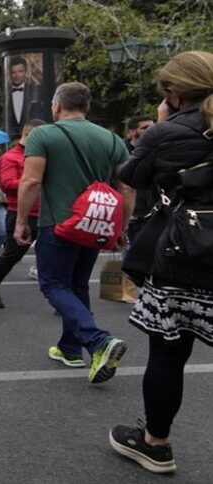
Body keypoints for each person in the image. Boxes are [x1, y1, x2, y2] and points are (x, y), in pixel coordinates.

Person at [109, 51, 213, 474]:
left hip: (182, 258)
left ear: (173, 92)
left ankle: (155, 444)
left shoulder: (166, 132)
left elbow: (131, 175)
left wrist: (162, 122)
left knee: (169, 355)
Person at [15, 82, 132, 382]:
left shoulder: (44, 134)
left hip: (58, 223)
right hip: (95, 223)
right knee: (77, 286)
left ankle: (98, 341)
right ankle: (69, 349)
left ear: (56, 105)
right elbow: (128, 187)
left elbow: (30, 182)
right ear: (86, 106)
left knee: (53, 284)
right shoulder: (111, 138)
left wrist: (21, 221)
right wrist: (121, 226)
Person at [0, 120, 47, 308]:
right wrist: (32, 181)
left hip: (44, 213)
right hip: (21, 214)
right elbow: (7, 184)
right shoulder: (11, 158)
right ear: (29, 134)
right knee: (12, 255)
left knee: (52, 255)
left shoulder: (39, 155)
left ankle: (62, 298)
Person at [123, 114, 156, 243]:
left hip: (151, 213)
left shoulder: (157, 152)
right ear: (132, 132)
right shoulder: (121, 151)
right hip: (127, 214)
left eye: (153, 127)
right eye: (145, 128)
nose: (151, 131)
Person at [7, 56, 48, 137]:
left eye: (20, 71)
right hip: (12, 139)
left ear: (25, 72)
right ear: (10, 73)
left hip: (33, 137)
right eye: (13, 72)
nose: (17, 75)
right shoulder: (6, 92)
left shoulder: (34, 90)